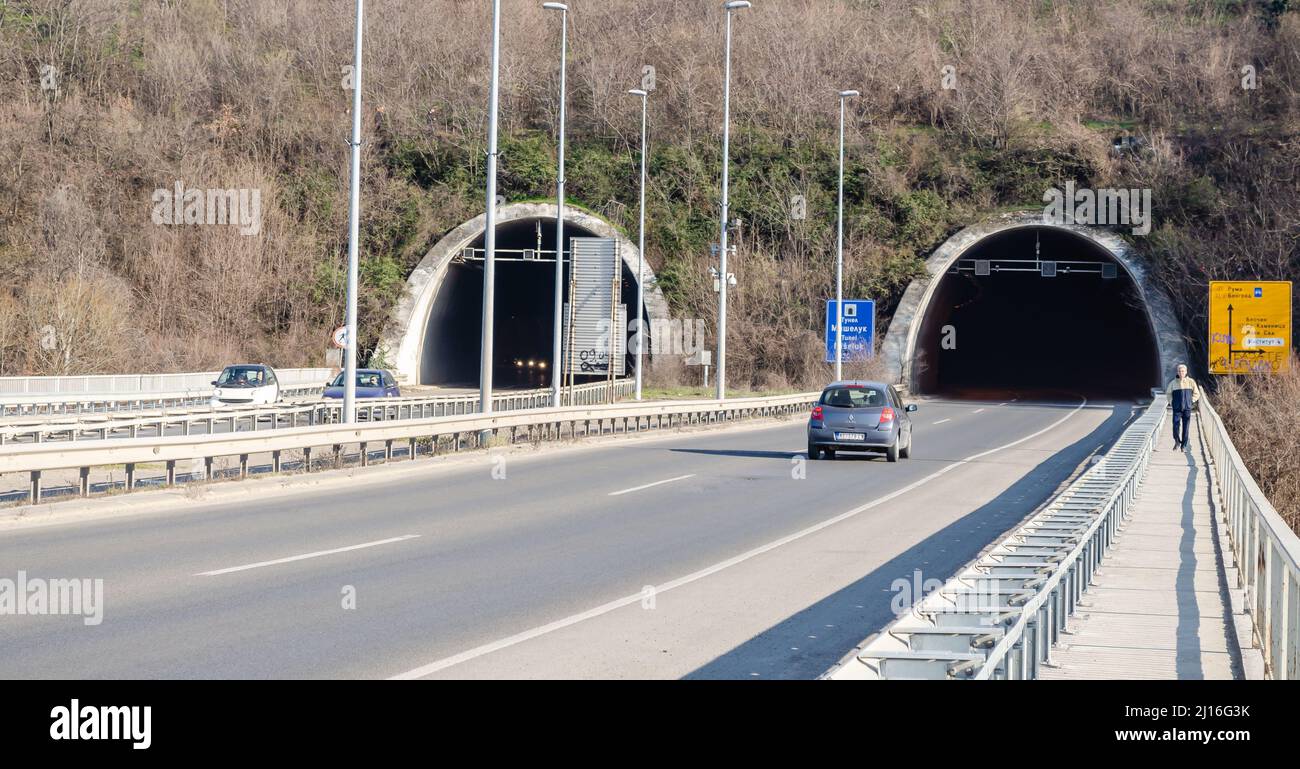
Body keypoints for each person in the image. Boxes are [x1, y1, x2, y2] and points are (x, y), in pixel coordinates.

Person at [1165, 363, 1200, 452]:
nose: (1181, 373)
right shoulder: (1173, 383)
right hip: (1177, 408)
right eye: (1180, 371)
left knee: (1186, 427)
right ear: (1177, 372)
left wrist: (1191, 401)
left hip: (1187, 408)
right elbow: (1168, 394)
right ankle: (1177, 442)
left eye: (1183, 371)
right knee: (1175, 426)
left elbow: (1197, 393)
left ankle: (1183, 445)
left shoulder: (1191, 382)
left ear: (1186, 372)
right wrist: (1171, 402)